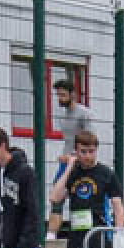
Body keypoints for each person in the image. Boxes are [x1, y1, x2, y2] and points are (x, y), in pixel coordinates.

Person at [46, 76, 91, 237]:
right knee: (56, 195)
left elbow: (89, 141)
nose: (60, 98)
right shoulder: (63, 115)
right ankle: (51, 234)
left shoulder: (84, 114)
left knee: (81, 197)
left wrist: (74, 156)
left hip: (80, 162)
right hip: (66, 163)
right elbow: (69, 139)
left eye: (63, 95)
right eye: (58, 95)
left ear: (73, 94)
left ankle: (83, 233)